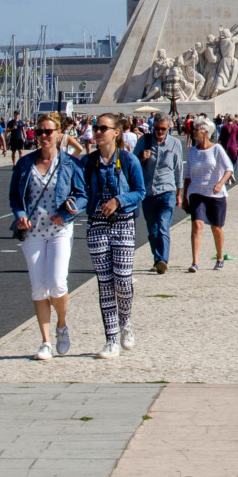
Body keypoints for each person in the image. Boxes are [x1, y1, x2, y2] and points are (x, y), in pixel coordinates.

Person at [9, 112, 83, 361]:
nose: (42, 136)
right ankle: (46, 341)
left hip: (60, 229)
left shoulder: (69, 163)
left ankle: (62, 325)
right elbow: (15, 197)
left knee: (57, 283)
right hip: (33, 232)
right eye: (39, 132)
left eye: (48, 132)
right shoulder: (25, 164)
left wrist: (69, 210)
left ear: (58, 134)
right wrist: (20, 214)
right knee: (39, 288)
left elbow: (82, 195)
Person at [82, 113, 145, 359]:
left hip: (123, 224)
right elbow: (80, 189)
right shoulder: (89, 162)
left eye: (103, 128)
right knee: (105, 283)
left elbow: (140, 191)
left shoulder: (129, 160)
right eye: (96, 128)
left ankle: (125, 322)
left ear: (116, 132)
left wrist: (119, 200)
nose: (97, 132)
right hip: (97, 224)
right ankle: (111, 339)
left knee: (123, 279)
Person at [182, 118, 235, 271]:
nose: (193, 132)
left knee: (216, 228)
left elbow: (229, 169)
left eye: (196, 129)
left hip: (215, 194)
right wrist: (185, 196)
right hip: (196, 192)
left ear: (206, 131)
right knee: (197, 225)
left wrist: (220, 183)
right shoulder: (192, 151)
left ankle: (219, 257)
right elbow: (187, 176)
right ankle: (195, 262)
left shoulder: (217, 149)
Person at [135, 113, 185, 273]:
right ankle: (157, 259)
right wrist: (142, 158)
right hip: (149, 191)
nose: (159, 131)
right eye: (156, 128)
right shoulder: (144, 141)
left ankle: (162, 260)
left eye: (163, 128)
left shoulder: (174, 143)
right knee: (152, 230)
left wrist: (179, 193)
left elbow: (179, 169)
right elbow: (133, 163)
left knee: (163, 226)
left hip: (167, 190)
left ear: (169, 128)